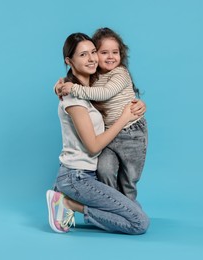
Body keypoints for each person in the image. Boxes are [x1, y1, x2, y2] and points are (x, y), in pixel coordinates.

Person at [46, 32, 149, 234]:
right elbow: (93, 147)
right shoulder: (75, 97)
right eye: (83, 55)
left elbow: (112, 94)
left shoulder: (92, 85)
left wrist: (139, 105)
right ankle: (67, 204)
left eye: (93, 52)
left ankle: (74, 202)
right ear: (69, 61)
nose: (92, 58)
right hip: (77, 176)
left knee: (132, 208)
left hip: (87, 175)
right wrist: (125, 117)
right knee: (139, 223)